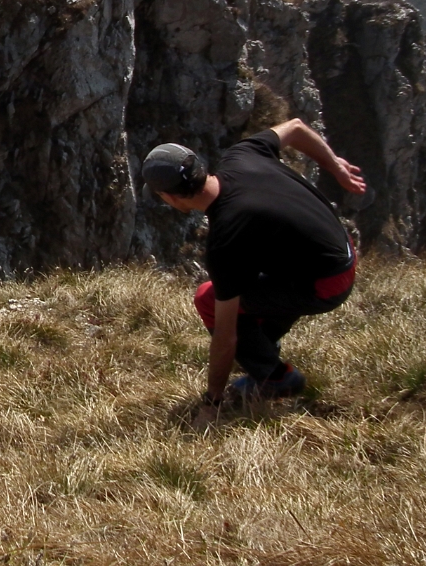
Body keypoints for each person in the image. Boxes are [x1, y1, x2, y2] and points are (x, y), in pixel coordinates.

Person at [141, 119, 367, 427]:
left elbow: (225, 336)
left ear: (170, 197)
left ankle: (275, 378)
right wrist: (336, 167)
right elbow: (298, 127)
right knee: (251, 286)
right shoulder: (242, 155)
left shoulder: (227, 239)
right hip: (340, 251)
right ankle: (265, 347)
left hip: (325, 282)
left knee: (208, 298)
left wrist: (212, 402)